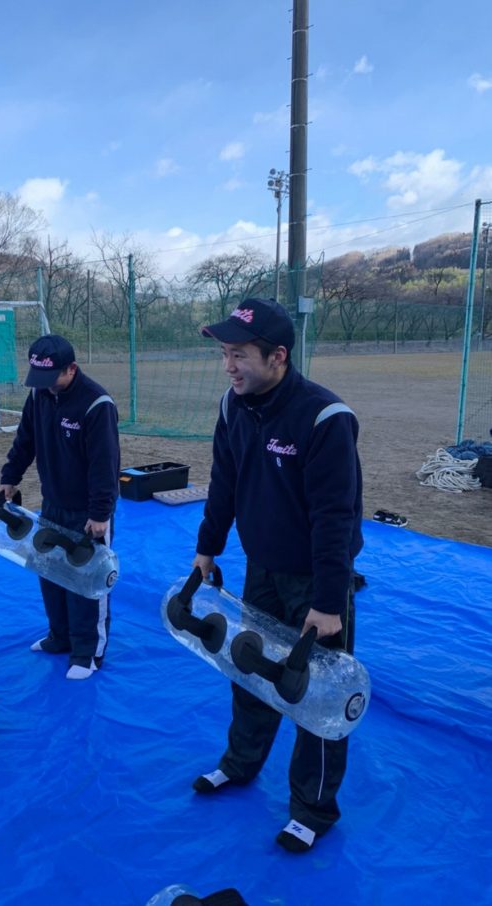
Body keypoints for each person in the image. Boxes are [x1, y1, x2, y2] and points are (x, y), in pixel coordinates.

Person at [191, 297, 363, 854]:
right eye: (224, 354)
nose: (228, 366)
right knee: (250, 671)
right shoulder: (232, 407)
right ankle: (239, 764)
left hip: (315, 584)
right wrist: (207, 547)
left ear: (278, 357)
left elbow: (336, 517)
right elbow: (224, 481)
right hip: (261, 570)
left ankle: (312, 810)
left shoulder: (324, 418)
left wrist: (329, 601)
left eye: (239, 355)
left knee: (317, 695)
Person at [0, 334, 120, 680]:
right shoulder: (39, 395)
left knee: (86, 580)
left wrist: (100, 513)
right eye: (39, 379)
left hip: (87, 513)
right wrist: (11, 476)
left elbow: (105, 464)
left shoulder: (97, 404)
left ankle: (87, 653)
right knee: (50, 572)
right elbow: (25, 439)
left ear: (71, 369)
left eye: (51, 378)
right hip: (52, 504)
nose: (45, 385)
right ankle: (60, 636)